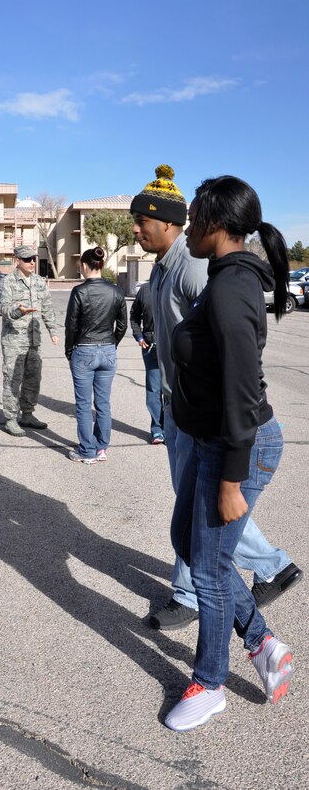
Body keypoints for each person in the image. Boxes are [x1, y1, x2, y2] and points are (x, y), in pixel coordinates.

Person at [130, 165, 302, 630]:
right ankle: (270, 567)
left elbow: (231, 349)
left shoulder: (195, 268)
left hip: (199, 412)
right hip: (177, 404)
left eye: (142, 221)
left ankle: (193, 595)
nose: (135, 228)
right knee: (194, 514)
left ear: (170, 224)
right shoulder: (163, 268)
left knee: (201, 517)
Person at [164, 175, 294, 731]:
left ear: (217, 224)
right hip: (212, 439)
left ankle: (210, 682)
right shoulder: (224, 277)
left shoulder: (229, 289)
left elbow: (244, 393)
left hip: (236, 444)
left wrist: (232, 480)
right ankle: (263, 642)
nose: (188, 227)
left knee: (212, 570)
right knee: (185, 542)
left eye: (193, 218)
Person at [64, 246, 127, 464]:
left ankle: (87, 450)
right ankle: (101, 448)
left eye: (80, 265)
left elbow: (71, 325)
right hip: (108, 350)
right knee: (103, 403)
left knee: (83, 404)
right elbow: (122, 325)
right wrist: (113, 344)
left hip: (84, 349)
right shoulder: (116, 291)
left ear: (84, 265)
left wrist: (69, 350)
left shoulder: (79, 291)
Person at [0, 244, 59, 436]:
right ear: (18, 261)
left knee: (33, 378)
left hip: (34, 339)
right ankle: (10, 418)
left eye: (33, 258)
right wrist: (19, 310)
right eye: (27, 259)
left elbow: (48, 307)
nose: (32, 262)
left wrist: (52, 330)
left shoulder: (40, 282)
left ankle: (27, 414)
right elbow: (4, 309)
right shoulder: (8, 282)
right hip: (14, 339)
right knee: (13, 379)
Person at [129, 280, 164, 444]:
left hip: (173, 347)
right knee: (154, 390)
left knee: (173, 392)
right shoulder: (145, 290)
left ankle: (171, 429)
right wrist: (139, 336)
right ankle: (157, 430)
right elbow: (134, 315)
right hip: (151, 347)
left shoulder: (176, 283)